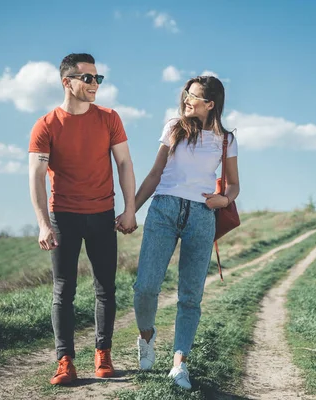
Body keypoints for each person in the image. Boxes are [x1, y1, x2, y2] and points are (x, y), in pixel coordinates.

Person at [28, 53, 137, 385]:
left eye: (97, 78)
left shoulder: (109, 118)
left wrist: (130, 208)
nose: (95, 84)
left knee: (106, 288)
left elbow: (124, 164)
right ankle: (65, 361)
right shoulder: (46, 125)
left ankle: (103, 354)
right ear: (67, 82)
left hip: (102, 215)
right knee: (64, 289)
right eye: (87, 78)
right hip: (64, 216)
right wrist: (43, 223)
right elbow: (35, 175)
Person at [127, 75, 240, 390]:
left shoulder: (227, 140)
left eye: (194, 96)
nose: (187, 99)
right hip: (163, 210)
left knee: (190, 297)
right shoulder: (174, 127)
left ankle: (179, 365)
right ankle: (146, 337)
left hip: (202, 216)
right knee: (145, 287)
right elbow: (154, 174)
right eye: (187, 93)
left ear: (210, 104)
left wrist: (224, 199)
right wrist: (130, 210)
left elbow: (233, 184)